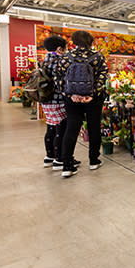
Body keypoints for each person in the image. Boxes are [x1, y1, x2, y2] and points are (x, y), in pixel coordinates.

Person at [56, 30, 108, 178]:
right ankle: (93, 160)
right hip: (93, 99)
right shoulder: (97, 57)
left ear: (73, 42)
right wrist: (91, 95)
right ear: (91, 42)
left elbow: (59, 79)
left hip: (72, 99)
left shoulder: (66, 57)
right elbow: (102, 77)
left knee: (71, 128)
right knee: (94, 127)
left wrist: (70, 95)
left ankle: (67, 166)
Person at [41, 35, 70, 170]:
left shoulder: (44, 60)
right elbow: (62, 82)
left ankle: (49, 156)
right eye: (66, 48)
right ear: (59, 49)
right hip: (57, 100)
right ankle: (59, 159)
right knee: (61, 129)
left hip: (45, 100)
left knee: (50, 127)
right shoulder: (59, 61)